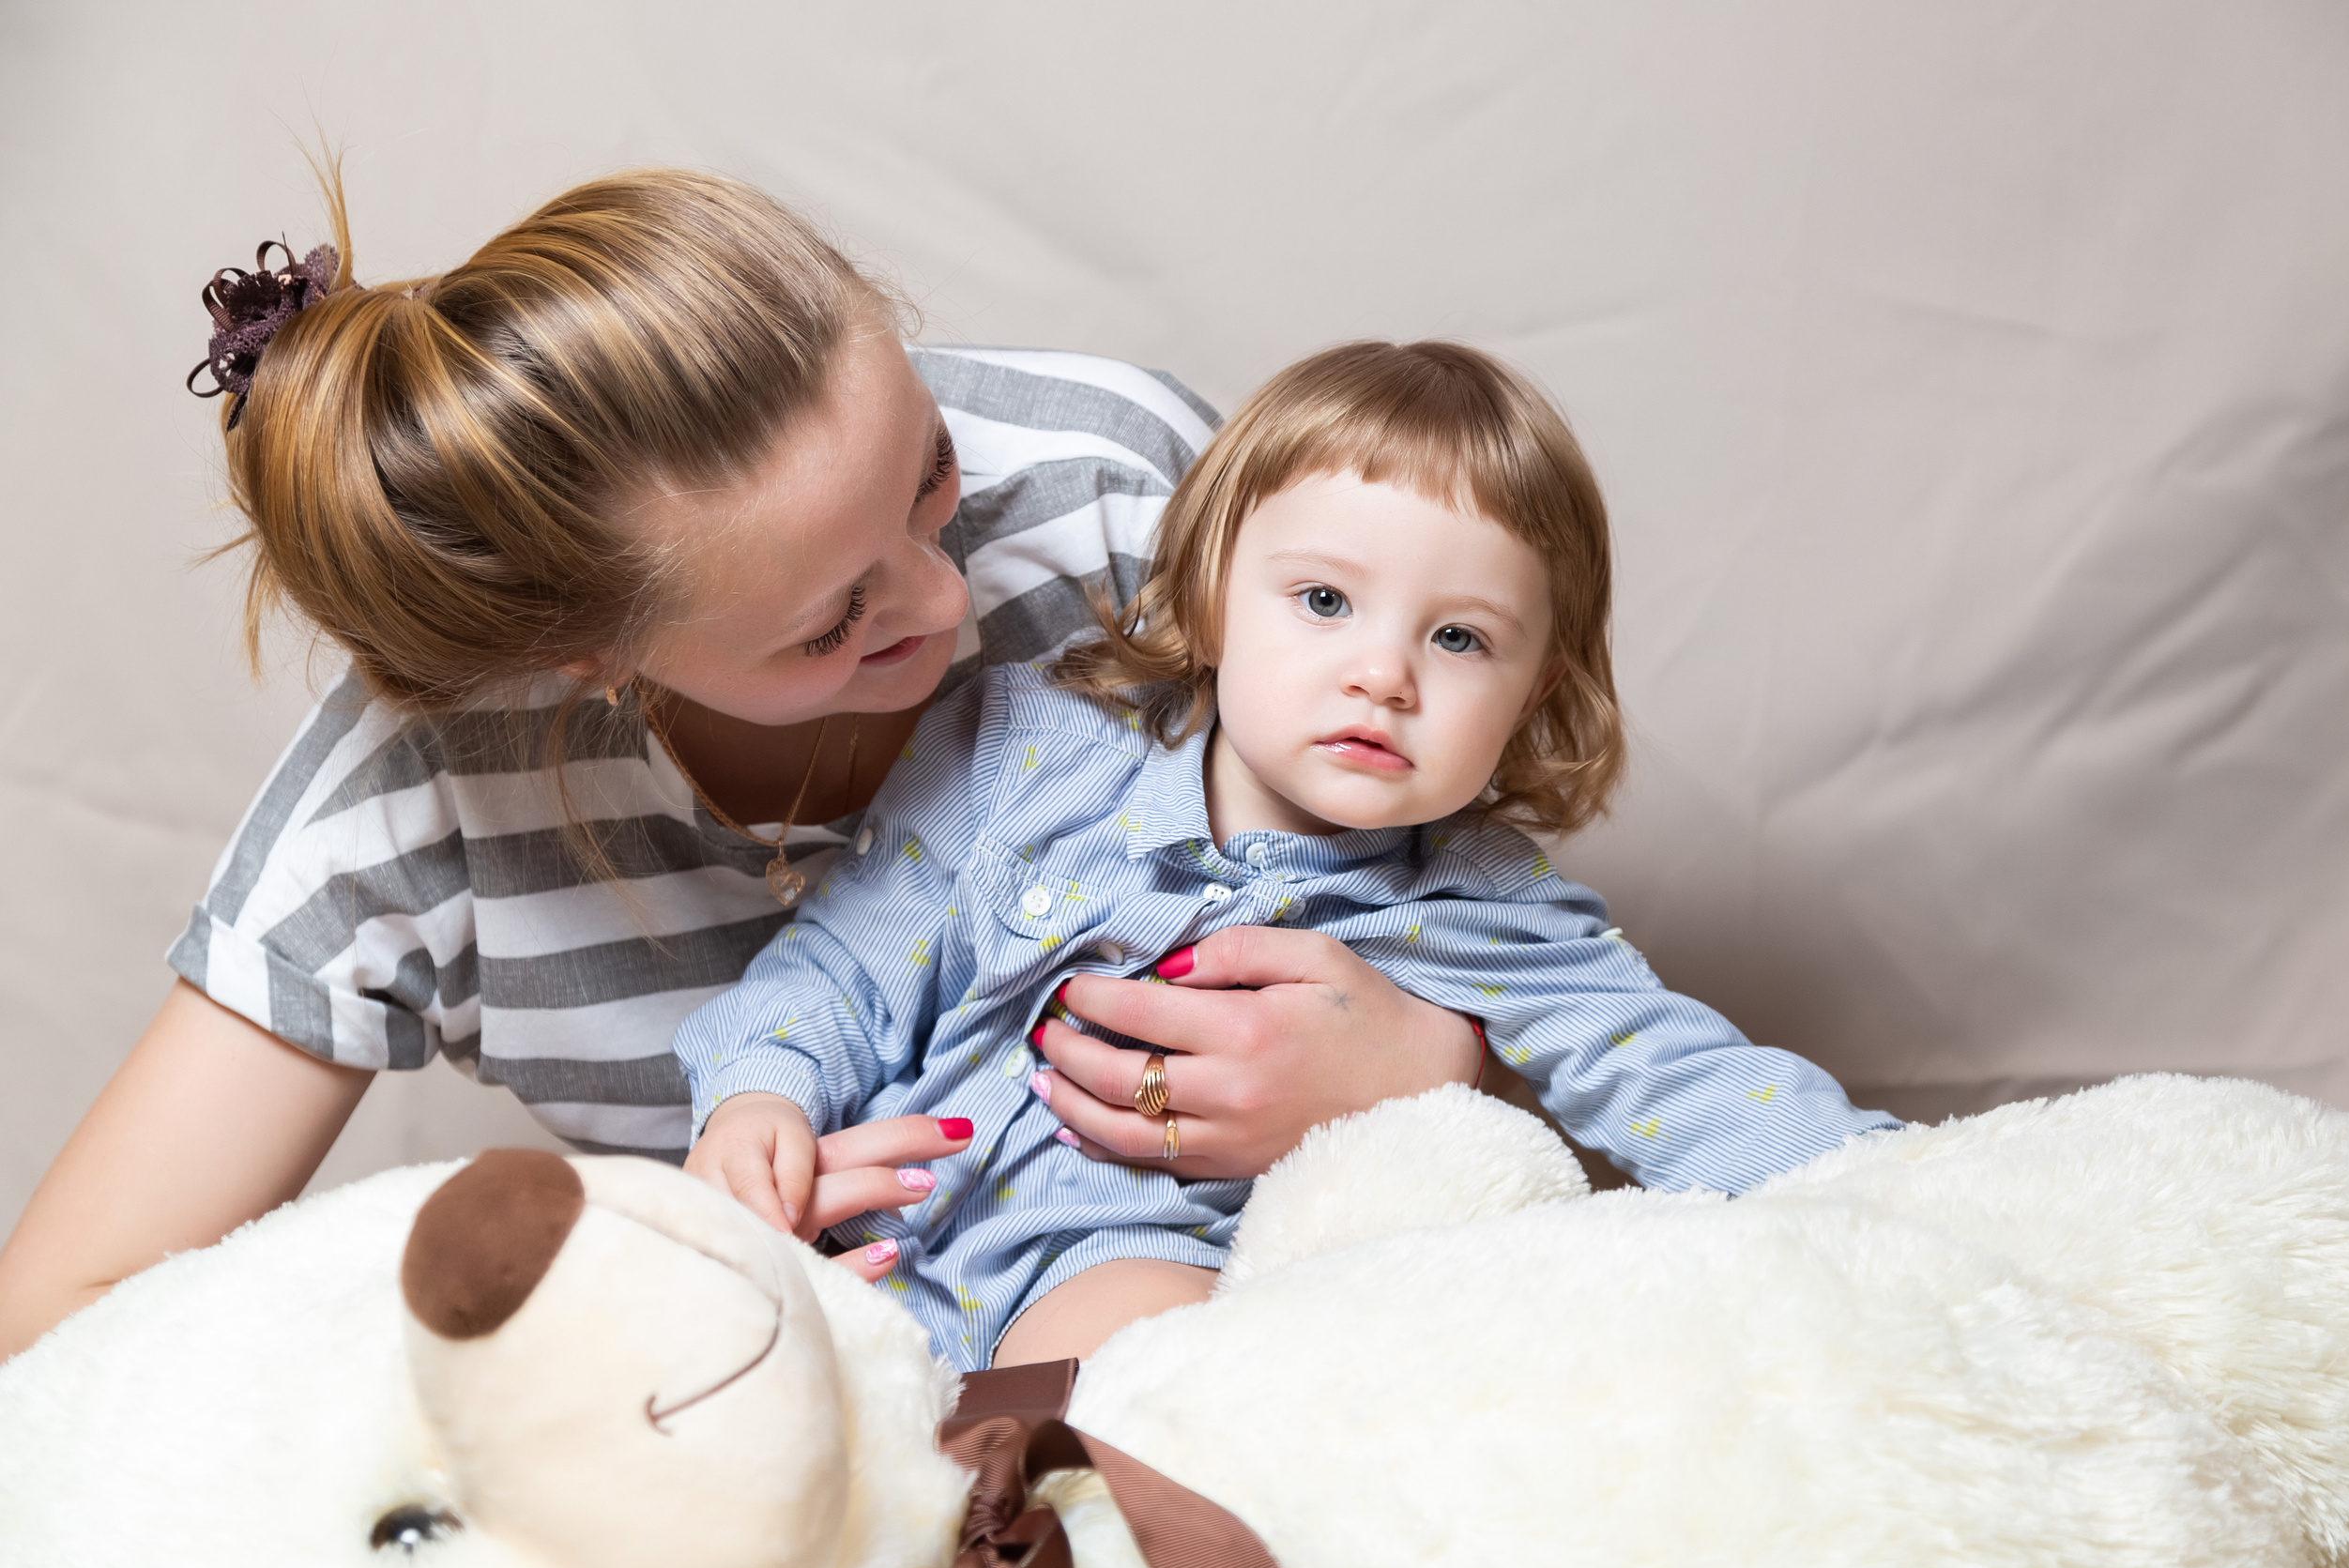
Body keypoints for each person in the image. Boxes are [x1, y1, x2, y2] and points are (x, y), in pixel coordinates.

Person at [0, 170, 1492, 1362]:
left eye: (930, 476)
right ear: (588, 661)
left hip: (1266, 1337)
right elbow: (57, 1331)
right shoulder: (415, 802)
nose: (945, 599)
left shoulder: (1121, 504)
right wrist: (670, 1277)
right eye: (836, 622)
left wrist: (1430, 1063)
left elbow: (1518, 942)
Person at [677, 340, 1899, 1371]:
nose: (1384, 672)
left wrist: (1904, 1203)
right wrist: (758, 1100)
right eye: (1325, 602)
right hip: (866, 1233)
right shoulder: (1025, 751)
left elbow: (1683, 1079)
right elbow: (844, 964)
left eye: (1463, 637)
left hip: (1113, 1268)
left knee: (1148, 1377)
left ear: (1536, 695)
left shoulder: (1487, 907)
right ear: (1211, 598)